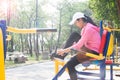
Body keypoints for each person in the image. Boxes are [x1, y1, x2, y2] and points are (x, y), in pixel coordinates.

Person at [51, 12, 101, 80]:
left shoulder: (88, 29)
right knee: (74, 35)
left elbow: (79, 45)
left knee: (70, 64)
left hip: (92, 52)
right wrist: (68, 47)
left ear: (80, 20)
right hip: (89, 49)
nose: (76, 25)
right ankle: (62, 55)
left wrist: (64, 50)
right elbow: (81, 44)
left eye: (76, 23)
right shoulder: (86, 28)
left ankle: (62, 55)